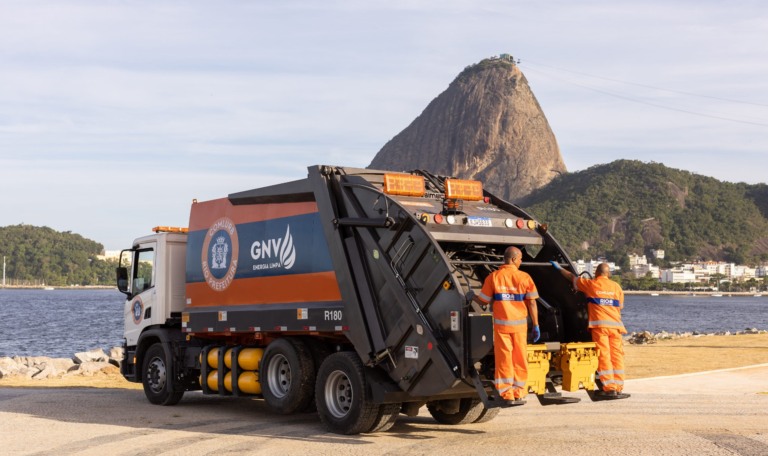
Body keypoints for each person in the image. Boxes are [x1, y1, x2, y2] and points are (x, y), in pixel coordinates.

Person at [472, 246, 540, 405]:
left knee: (504, 359)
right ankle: (519, 392)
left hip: (502, 327)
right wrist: (536, 324)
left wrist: (472, 297)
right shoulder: (525, 277)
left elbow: (483, 300)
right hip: (520, 328)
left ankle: (506, 393)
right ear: (514, 259)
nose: (521, 261)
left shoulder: (494, 277)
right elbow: (532, 304)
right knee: (520, 358)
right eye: (521, 258)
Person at [550, 260, 626, 397]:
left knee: (604, 356)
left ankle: (609, 387)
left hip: (600, 328)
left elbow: (572, 278)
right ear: (608, 274)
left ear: (596, 273)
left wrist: (559, 268)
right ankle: (619, 386)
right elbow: (620, 306)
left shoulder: (592, 284)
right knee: (617, 356)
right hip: (616, 327)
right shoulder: (617, 287)